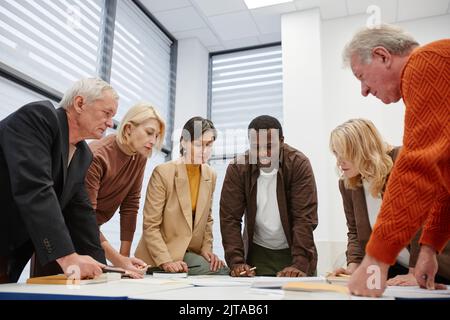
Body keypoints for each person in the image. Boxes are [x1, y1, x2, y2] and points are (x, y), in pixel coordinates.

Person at [342, 24, 450, 296]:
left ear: (382, 56)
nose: (364, 91)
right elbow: (442, 176)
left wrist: (375, 261)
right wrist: (429, 247)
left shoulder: (425, 62)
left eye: (361, 77)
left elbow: (418, 168)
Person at [0, 78, 118, 283]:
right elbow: (35, 189)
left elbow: (81, 215)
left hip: (11, 250)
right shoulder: (38, 117)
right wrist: (68, 257)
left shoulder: (82, 154)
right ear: (80, 103)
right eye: (106, 113)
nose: (110, 123)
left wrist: (103, 272)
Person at [329, 118, 450, 285]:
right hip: (398, 269)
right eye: (336, 153)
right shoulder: (348, 183)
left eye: (344, 152)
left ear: (363, 148)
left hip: (438, 265)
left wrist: (415, 271)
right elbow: (355, 232)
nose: (339, 161)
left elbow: (420, 222)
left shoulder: (402, 161)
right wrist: (353, 268)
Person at [220, 115, 318, 277]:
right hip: (257, 255)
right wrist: (236, 262)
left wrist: (300, 264)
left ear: (281, 141)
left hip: (295, 252)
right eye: (256, 147)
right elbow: (229, 218)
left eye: (269, 146)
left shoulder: (298, 164)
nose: (262, 153)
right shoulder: (238, 168)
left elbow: (304, 218)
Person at [135, 117, 228, 275]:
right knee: (220, 273)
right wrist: (166, 261)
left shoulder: (210, 175)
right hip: (161, 256)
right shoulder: (163, 172)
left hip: (189, 254)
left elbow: (207, 220)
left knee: (220, 270)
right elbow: (150, 225)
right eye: (198, 144)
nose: (204, 151)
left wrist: (206, 250)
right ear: (184, 142)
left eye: (209, 144)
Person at [85, 103, 166, 278]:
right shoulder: (97, 156)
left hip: (91, 230)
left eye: (157, 136)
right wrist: (119, 262)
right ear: (128, 128)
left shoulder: (139, 156)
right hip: (68, 228)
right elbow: (85, 216)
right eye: (149, 133)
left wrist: (125, 259)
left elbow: (130, 205)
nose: (153, 141)